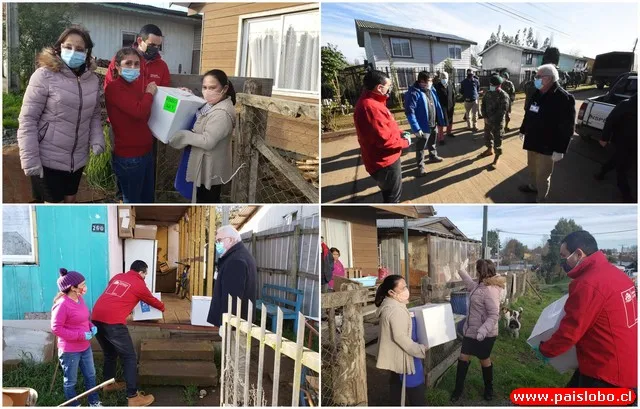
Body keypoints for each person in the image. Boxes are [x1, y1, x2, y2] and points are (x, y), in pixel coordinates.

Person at [534, 231, 637, 400]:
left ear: (579, 254)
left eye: (564, 256)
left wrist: (545, 349)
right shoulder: (616, 274)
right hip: (627, 361)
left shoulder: (588, 283)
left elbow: (570, 331)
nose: (562, 262)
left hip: (606, 372)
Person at [17, 25, 104, 204]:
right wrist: (30, 160)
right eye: (68, 47)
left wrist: (97, 138)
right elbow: (27, 120)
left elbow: (94, 114)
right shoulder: (44, 76)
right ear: (59, 47)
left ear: (87, 53)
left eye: (80, 49)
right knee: (54, 211)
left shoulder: (92, 80)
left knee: (70, 202)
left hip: (77, 159)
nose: (74, 52)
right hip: (48, 160)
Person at [91, 260, 165, 407]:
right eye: (145, 274)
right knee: (130, 357)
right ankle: (133, 397)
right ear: (142, 273)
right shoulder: (139, 283)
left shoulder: (117, 277)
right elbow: (151, 300)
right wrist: (163, 307)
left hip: (96, 318)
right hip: (113, 323)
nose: (145, 277)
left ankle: (108, 384)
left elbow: (117, 297)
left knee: (110, 353)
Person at [169, 70, 237, 203]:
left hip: (210, 170)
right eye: (205, 87)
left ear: (225, 89)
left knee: (207, 199)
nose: (207, 91)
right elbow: (203, 111)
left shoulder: (222, 113)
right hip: (203, 163)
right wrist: (190, 97)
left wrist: (183, 136)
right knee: (199, 197)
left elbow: (208, 141)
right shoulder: (213, 104)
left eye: (212, 88)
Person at [105, 47, 157, 203]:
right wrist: (149, 93)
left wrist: (177, 93)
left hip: (145, 152)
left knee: (147, 200)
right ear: (118, 67)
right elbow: (139, 111)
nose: (133, 68)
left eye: (136, 64)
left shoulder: (134, 87)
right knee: (132, 202)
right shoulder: (114, 88)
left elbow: (148, 108)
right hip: (130, 157)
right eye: (128, 63)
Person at [518, 64, 575, 203]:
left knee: (543, 175)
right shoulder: (538, 92)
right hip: (532, 141)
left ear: (549, 78)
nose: (535, 79)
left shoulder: (564, 98)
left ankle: (541, 199)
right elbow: (529, 113)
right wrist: (523, 129)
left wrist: (560, 149)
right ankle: (533, 187)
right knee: (532, 168)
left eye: (538, 77)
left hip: (548, 145)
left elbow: (567, 127)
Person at [451, 259, 505, 402]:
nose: (475, 273)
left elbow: (494, 315)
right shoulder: (480, 286)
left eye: (477, 270)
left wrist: (482, 331)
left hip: (485, 333)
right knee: (463, 358)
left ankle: (489, 389)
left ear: (481, 272)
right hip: (471, 331)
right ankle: (458, 390)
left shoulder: (491, 290)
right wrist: (461, 270)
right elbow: (470, 285)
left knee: (484, 360)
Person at [354, 70, 411, 203]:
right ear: (379, 88)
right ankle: (393, 213)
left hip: (382, 160)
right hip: (385, 162)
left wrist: (399, 133)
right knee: (392, 196)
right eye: (388, 86)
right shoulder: (371, 107)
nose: (389, 89)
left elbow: (383, 127)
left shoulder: (373, 102)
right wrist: (405, 142)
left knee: (390, 192)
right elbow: (384, 141)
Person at [51, 268, 102, 407]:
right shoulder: (62, 305)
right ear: (73, 287)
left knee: (91, 376)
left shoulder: (80, 298)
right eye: (82, 284)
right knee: (70, 381)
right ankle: (74, 405)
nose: (85, 287)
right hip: (70, 350)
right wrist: (80, 335)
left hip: (85, 347)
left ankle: (94, 402)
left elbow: (83, 318)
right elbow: (56, 328)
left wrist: (91, 325)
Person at [375, 275, 428, 406]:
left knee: (396, 387)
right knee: (416, 394)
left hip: (396, 357)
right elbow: (400, 337)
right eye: (403, 288)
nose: (406, 290)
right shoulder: (395, 310)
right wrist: (420, 349)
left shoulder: (389, 305)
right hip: (405, 358)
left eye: (406, 286)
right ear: (391, 292)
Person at [207, 225, 257, 327]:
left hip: (235, 323)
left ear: (230, 240)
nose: (217, 244)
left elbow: (231, 298)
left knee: (232, 343)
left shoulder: (235, 261)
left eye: (219, 240)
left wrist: (226, 324)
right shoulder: (241, 255)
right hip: (241, 320)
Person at [594, 93, 637, 203]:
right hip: (623, 142)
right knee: (622, 168)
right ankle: (626, 195)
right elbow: (610, 120)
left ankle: (602, 172)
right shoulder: (626, 104)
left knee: (616, 160)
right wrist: (604, 138)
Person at [405, 71, 445, 176]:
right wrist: (416, 128)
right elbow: (410, 112)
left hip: (433, 123)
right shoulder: (414, 93)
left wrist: (440, 119)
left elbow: (437, 105)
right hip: (422, 127)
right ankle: (420, 166)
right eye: (427, 81)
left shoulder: (431, 90)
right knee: (420, 148)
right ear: (421, 81)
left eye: (431, 81)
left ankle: (432, 156)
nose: (429, 83)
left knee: (432, 142)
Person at [479, 75, 510, 167]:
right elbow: (483, 105)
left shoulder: (504, 95)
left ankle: (497, 157)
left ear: (499, 85)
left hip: (497, 122)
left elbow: (502, 111)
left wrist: (490, 119)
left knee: (498, 140)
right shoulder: (488, 93)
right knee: (487, 136)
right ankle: (489, 150)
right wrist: (485, 117)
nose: (491, 86)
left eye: (493, 85)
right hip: (487, 120)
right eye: (490, 84)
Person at [434, 71, 457, 141]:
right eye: (442, 77)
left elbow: (453, 95)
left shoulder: (450, 85)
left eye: (445, 77)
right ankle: (440, 138)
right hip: (441, 108)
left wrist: (453, 104)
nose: (444, 79)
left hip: (450, 107)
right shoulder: (437, 86)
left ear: (448, 78)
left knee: (450, 121)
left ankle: (449, 132)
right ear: (440, 78)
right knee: (440, 123)